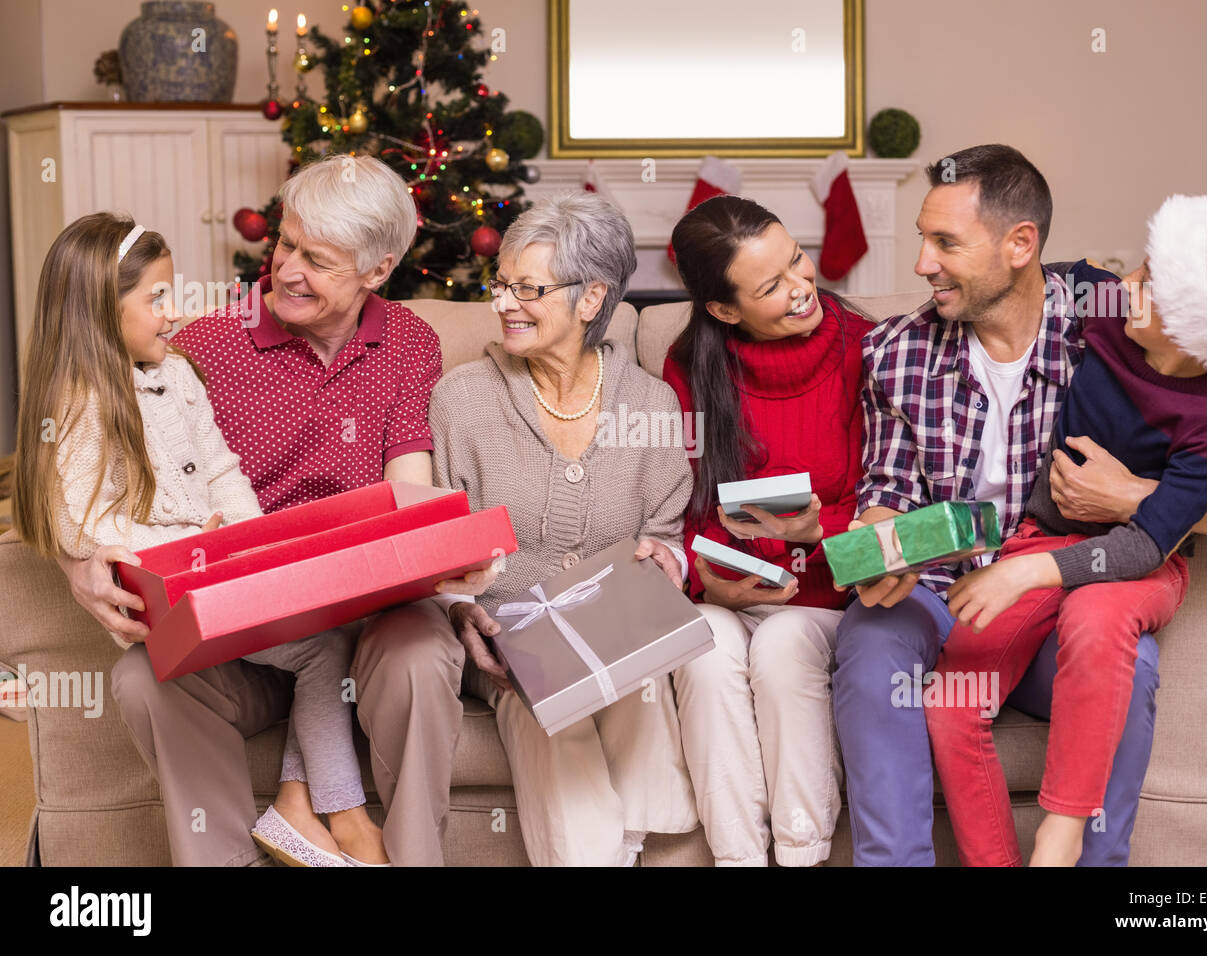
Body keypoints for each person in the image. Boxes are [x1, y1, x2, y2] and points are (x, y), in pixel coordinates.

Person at [832, 144, 1207, 867]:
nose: (922, 263)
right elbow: (888, 490)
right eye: (923, 239)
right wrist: (879, 541)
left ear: (1021, 244)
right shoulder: (895, 349)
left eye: (945, 242)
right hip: (941, 589)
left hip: (1065, 586)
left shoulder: (1109, 319)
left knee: (1126, 653)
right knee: (870, 638)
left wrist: (1138, 498)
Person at [53, 155, 495, 866]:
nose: (287, 271)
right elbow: (83, 451)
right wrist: (82, 560)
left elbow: (411, 487)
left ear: (376, 271)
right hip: (246, 624)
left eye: (318, 260)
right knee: (143, 677)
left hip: (365, 620)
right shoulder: (204, 345)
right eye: (286, 244)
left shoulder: (409, 342)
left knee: (414, 649)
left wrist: (446, 562)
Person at [13, 212, 387, 866]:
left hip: (230, 595)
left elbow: (219, 467)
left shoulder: (179, 372)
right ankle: (238, 851)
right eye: (156, 299)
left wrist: (246, 541)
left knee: (328, 644)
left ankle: (325, 805)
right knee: (149, 675)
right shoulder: (77, 402)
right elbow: (74, 515)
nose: (174, 311)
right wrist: (184, 545)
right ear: (100, 310)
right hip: (176, 612)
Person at [428, 191, 698, 866]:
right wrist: (461, 612)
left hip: (617, 634)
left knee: (639, 686)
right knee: (546, 702)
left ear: (589, 299)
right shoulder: (462, 399)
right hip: (506, 639)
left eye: (529, 288)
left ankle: (637, 845)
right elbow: (436, 544)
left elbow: (666, 530)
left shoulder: (649, 402)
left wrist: (663, 558)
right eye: (502, 285)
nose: (506, 304)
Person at [663, 195, 870, 866]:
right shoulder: (691, 364)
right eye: (771, 286)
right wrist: (710, 584)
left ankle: (802, 854)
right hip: (735, 591)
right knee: (702, 648)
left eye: (797, 261)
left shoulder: (867, 349)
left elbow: (891, 503)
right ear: (724, 310)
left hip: (833, 593)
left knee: (782, 644)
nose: (801, 289)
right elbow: (683, 511)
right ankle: (739, 859)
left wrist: (816, 534)